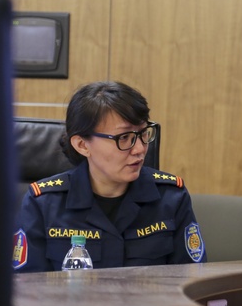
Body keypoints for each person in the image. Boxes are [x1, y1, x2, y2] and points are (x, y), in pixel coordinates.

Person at [12, 80, 206, 272]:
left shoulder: (171, 198)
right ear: (82, 145)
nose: (139, 149)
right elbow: (27, 290)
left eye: (143, 134)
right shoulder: (44, 204)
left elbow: (192, 281)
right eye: (124, 138)